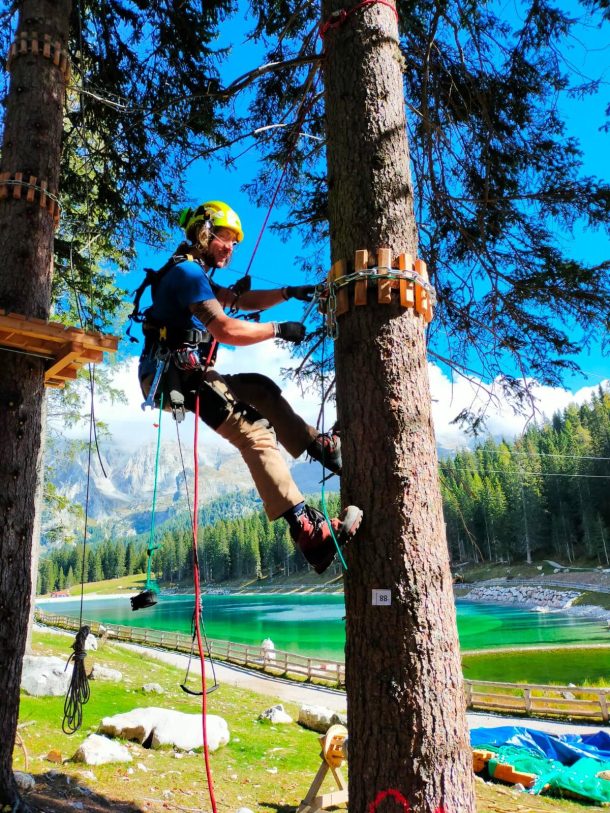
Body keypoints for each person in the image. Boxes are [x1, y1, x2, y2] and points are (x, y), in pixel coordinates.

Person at [137, 200, 362, 574]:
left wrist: (288, 291)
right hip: (176, 376)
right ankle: (310, 533)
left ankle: (320, 448)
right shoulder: (188, 274)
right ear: (203, 233)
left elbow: (239, 301)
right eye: (224, 238)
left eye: (234, 242)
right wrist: (279, 329)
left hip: (182, 373)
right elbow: (226, 328)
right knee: (255, 433)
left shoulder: (195, 275)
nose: (229, 247)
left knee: (257, 387)